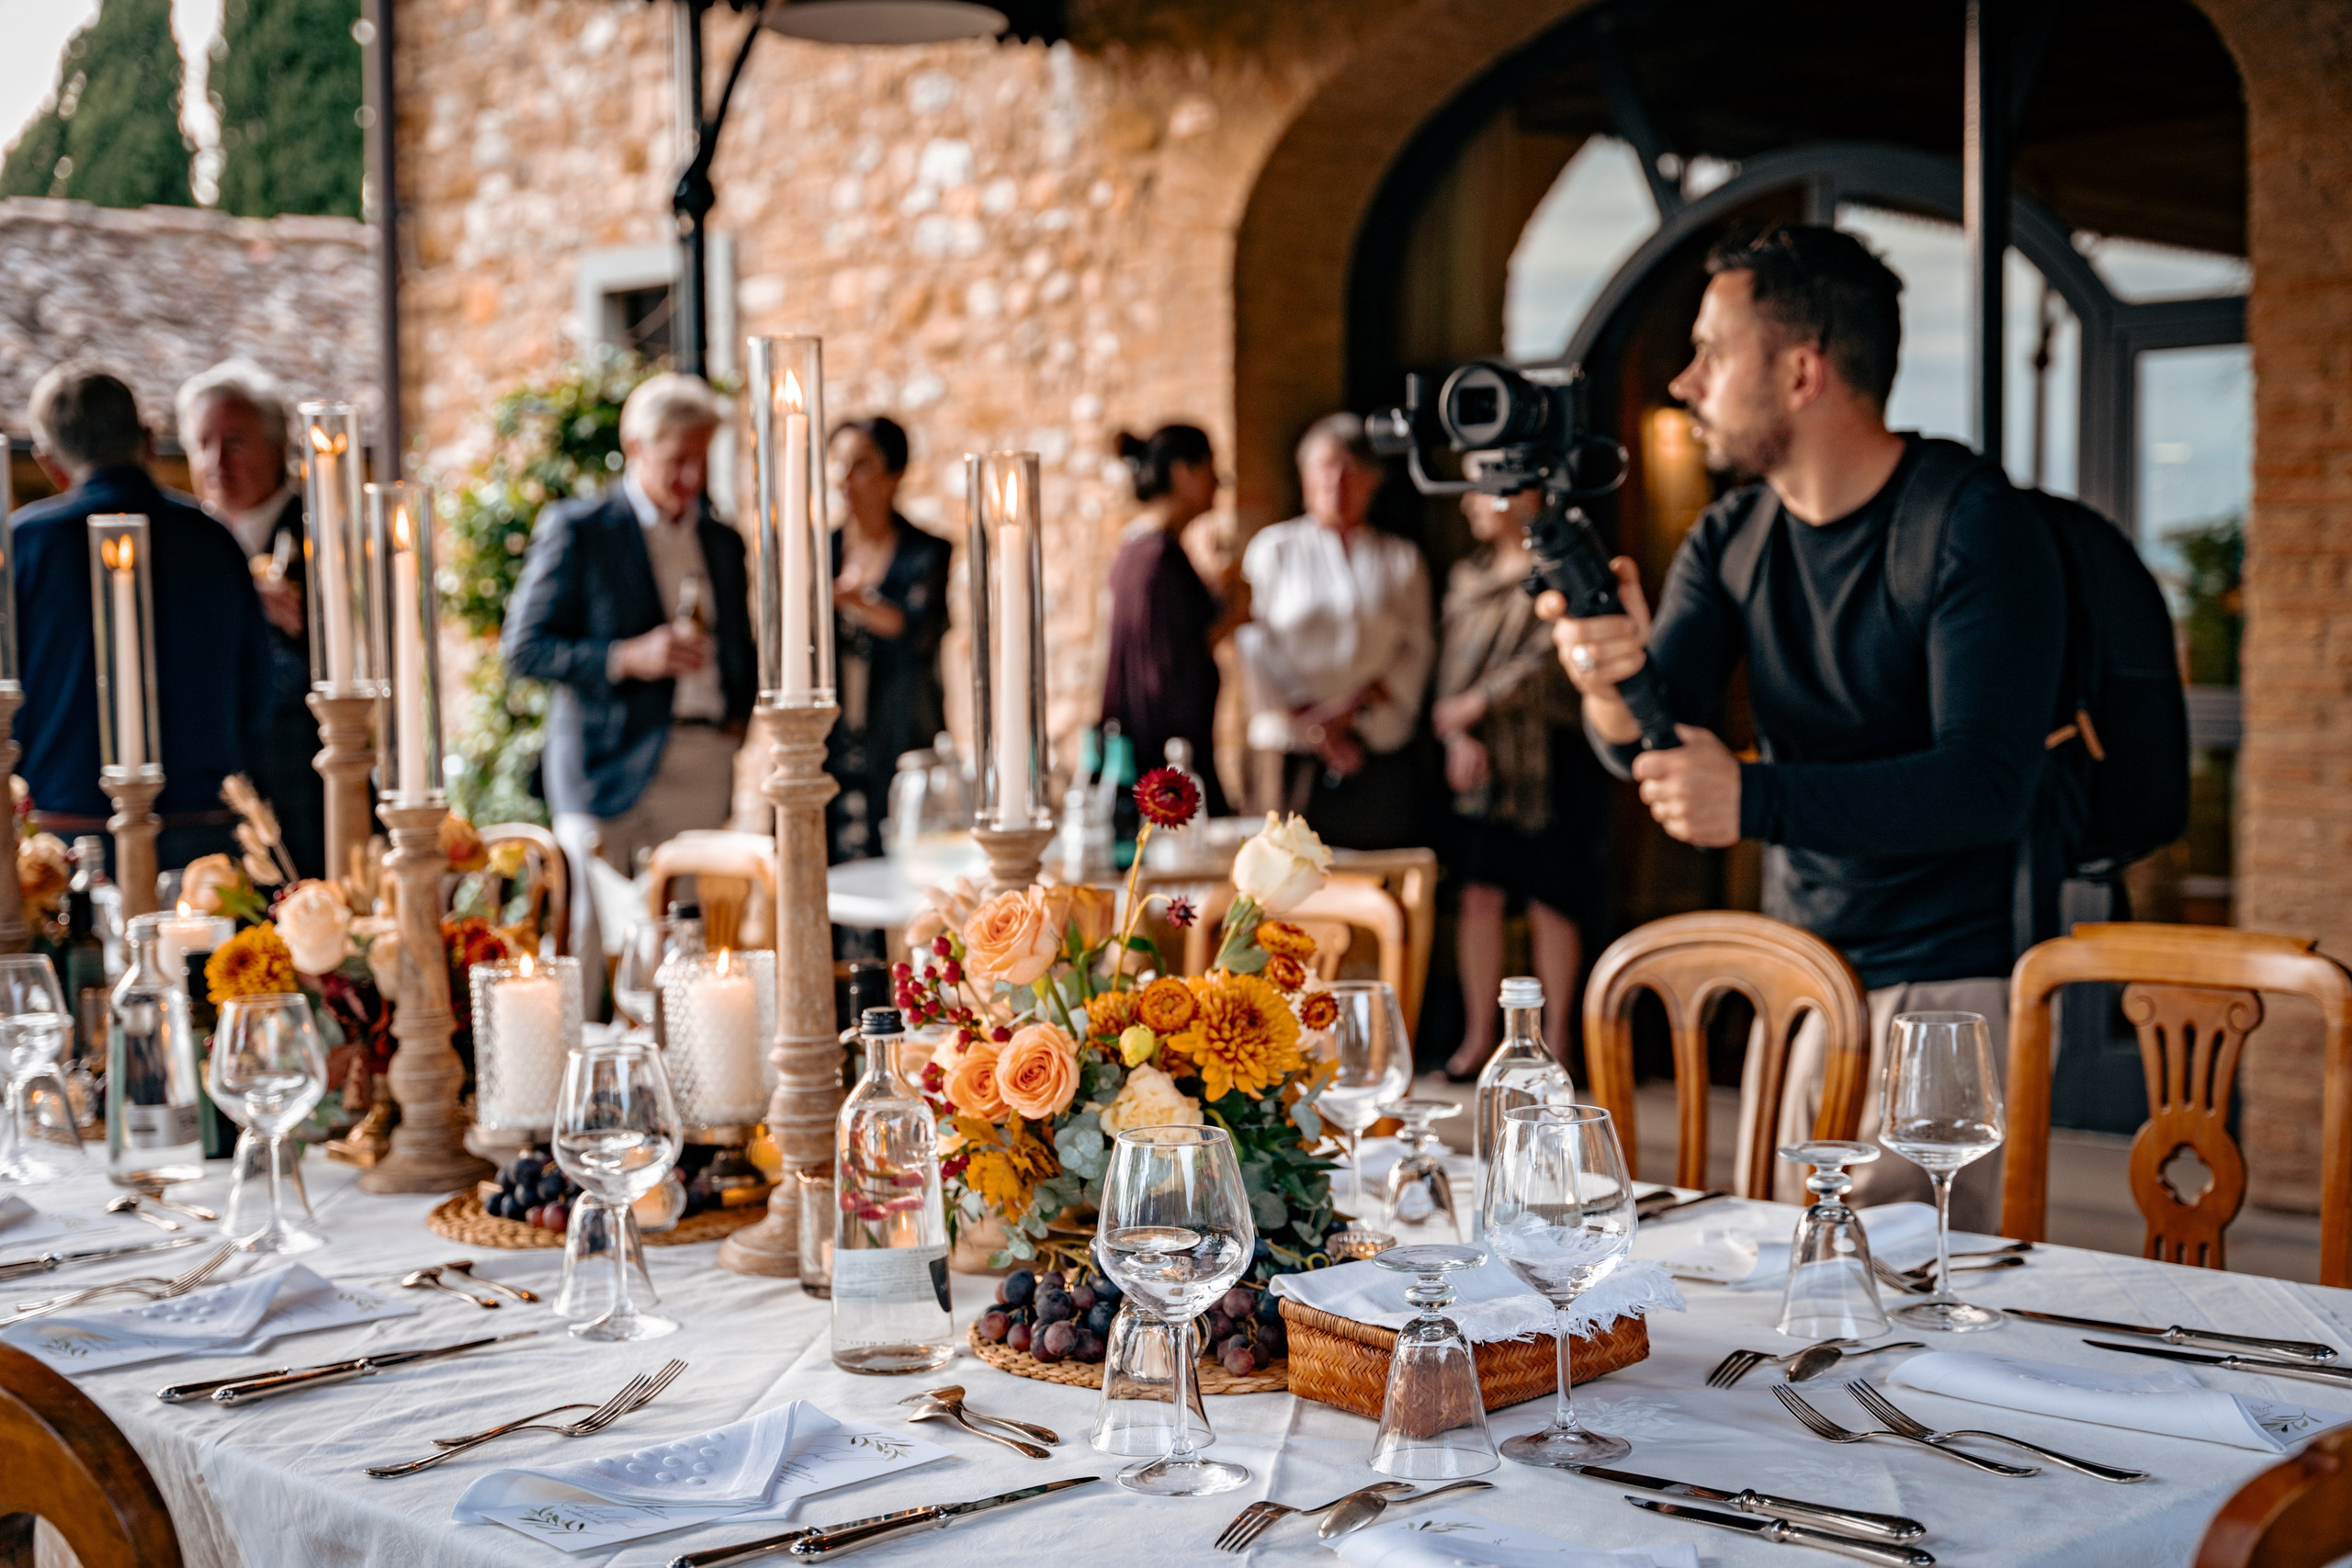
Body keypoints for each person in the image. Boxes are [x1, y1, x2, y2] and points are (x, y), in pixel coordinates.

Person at [1547, 224, 2065, 1224]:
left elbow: (1986, 786)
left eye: (1712, 351)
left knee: (1895, 1309)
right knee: (1804, 1278)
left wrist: (1749, 795)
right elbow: (1650, 744)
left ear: (1800, 371)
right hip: (1803, 971)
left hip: (1940, 986)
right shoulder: (1733, 534)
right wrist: (1607, 676)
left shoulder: (1972, 523)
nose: (1685, 383)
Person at [503, 373, 757, 908]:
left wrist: (737, 723)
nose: (691, 476)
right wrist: (626, 657)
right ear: (635, 447)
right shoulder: (580, 529)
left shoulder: (722, 540)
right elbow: (524, 648)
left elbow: (741, 641)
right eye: (676, 459)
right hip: (604, 764)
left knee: (689, 946)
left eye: (701, 458)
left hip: (702, 761)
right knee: (591, 939)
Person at [12, 361, 275, 874]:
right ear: (150, 440)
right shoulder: (214, 541)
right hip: (203, 836)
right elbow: (256, 699)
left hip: (64, 842)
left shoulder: (22, 547)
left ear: (50, 464)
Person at [1433, 479, 1608, 1079]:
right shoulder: (1465, 578)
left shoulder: (1558, 570)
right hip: (1479, 765)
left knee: (1549, 899)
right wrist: (1456, 731)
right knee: (1479, 894)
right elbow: (1449, 664)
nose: (1468, 503)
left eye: (1481, 489)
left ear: (1524, 495)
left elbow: (1550, 658)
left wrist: (1477, 704)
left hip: (1546, 757)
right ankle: (1479, 1039)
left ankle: (1556, 1042)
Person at [1237, 412, 1433, 850]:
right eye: (1325, 468)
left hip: (1372, 747)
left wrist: (1353, 710)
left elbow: (1415, 649)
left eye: (1350, 470)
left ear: (1373, 480)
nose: (1336, 483)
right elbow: (1253, 644)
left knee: (1373, 881)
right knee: (1281, 880)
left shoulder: (1401, 559)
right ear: (1304, 476)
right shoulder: (1273, 550)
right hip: (1289, 751)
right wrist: (1314, 725)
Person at [176, 359, 327, 879]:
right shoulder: (183, 548)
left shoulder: (322, 534)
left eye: (235, 441)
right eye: (203, 444)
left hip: (304, 788)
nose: (217, 461)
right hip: (206, 798)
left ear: (276, 446)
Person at [825, 415, 950, 862]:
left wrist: (852, 598)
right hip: (829, 748)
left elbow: (918, 630)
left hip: (899, 737)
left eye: (860, 464)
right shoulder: (820, 551)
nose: (843, 477)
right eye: (836, 462)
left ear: (894, 474)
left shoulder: (926, 552)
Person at [1100, 423, 1238, 818]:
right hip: (1167, 765)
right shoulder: (1159, 559)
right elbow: (1175, 663)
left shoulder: (1137, 552)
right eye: (1210, 470)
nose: (1218, 483)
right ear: (1183, 472)